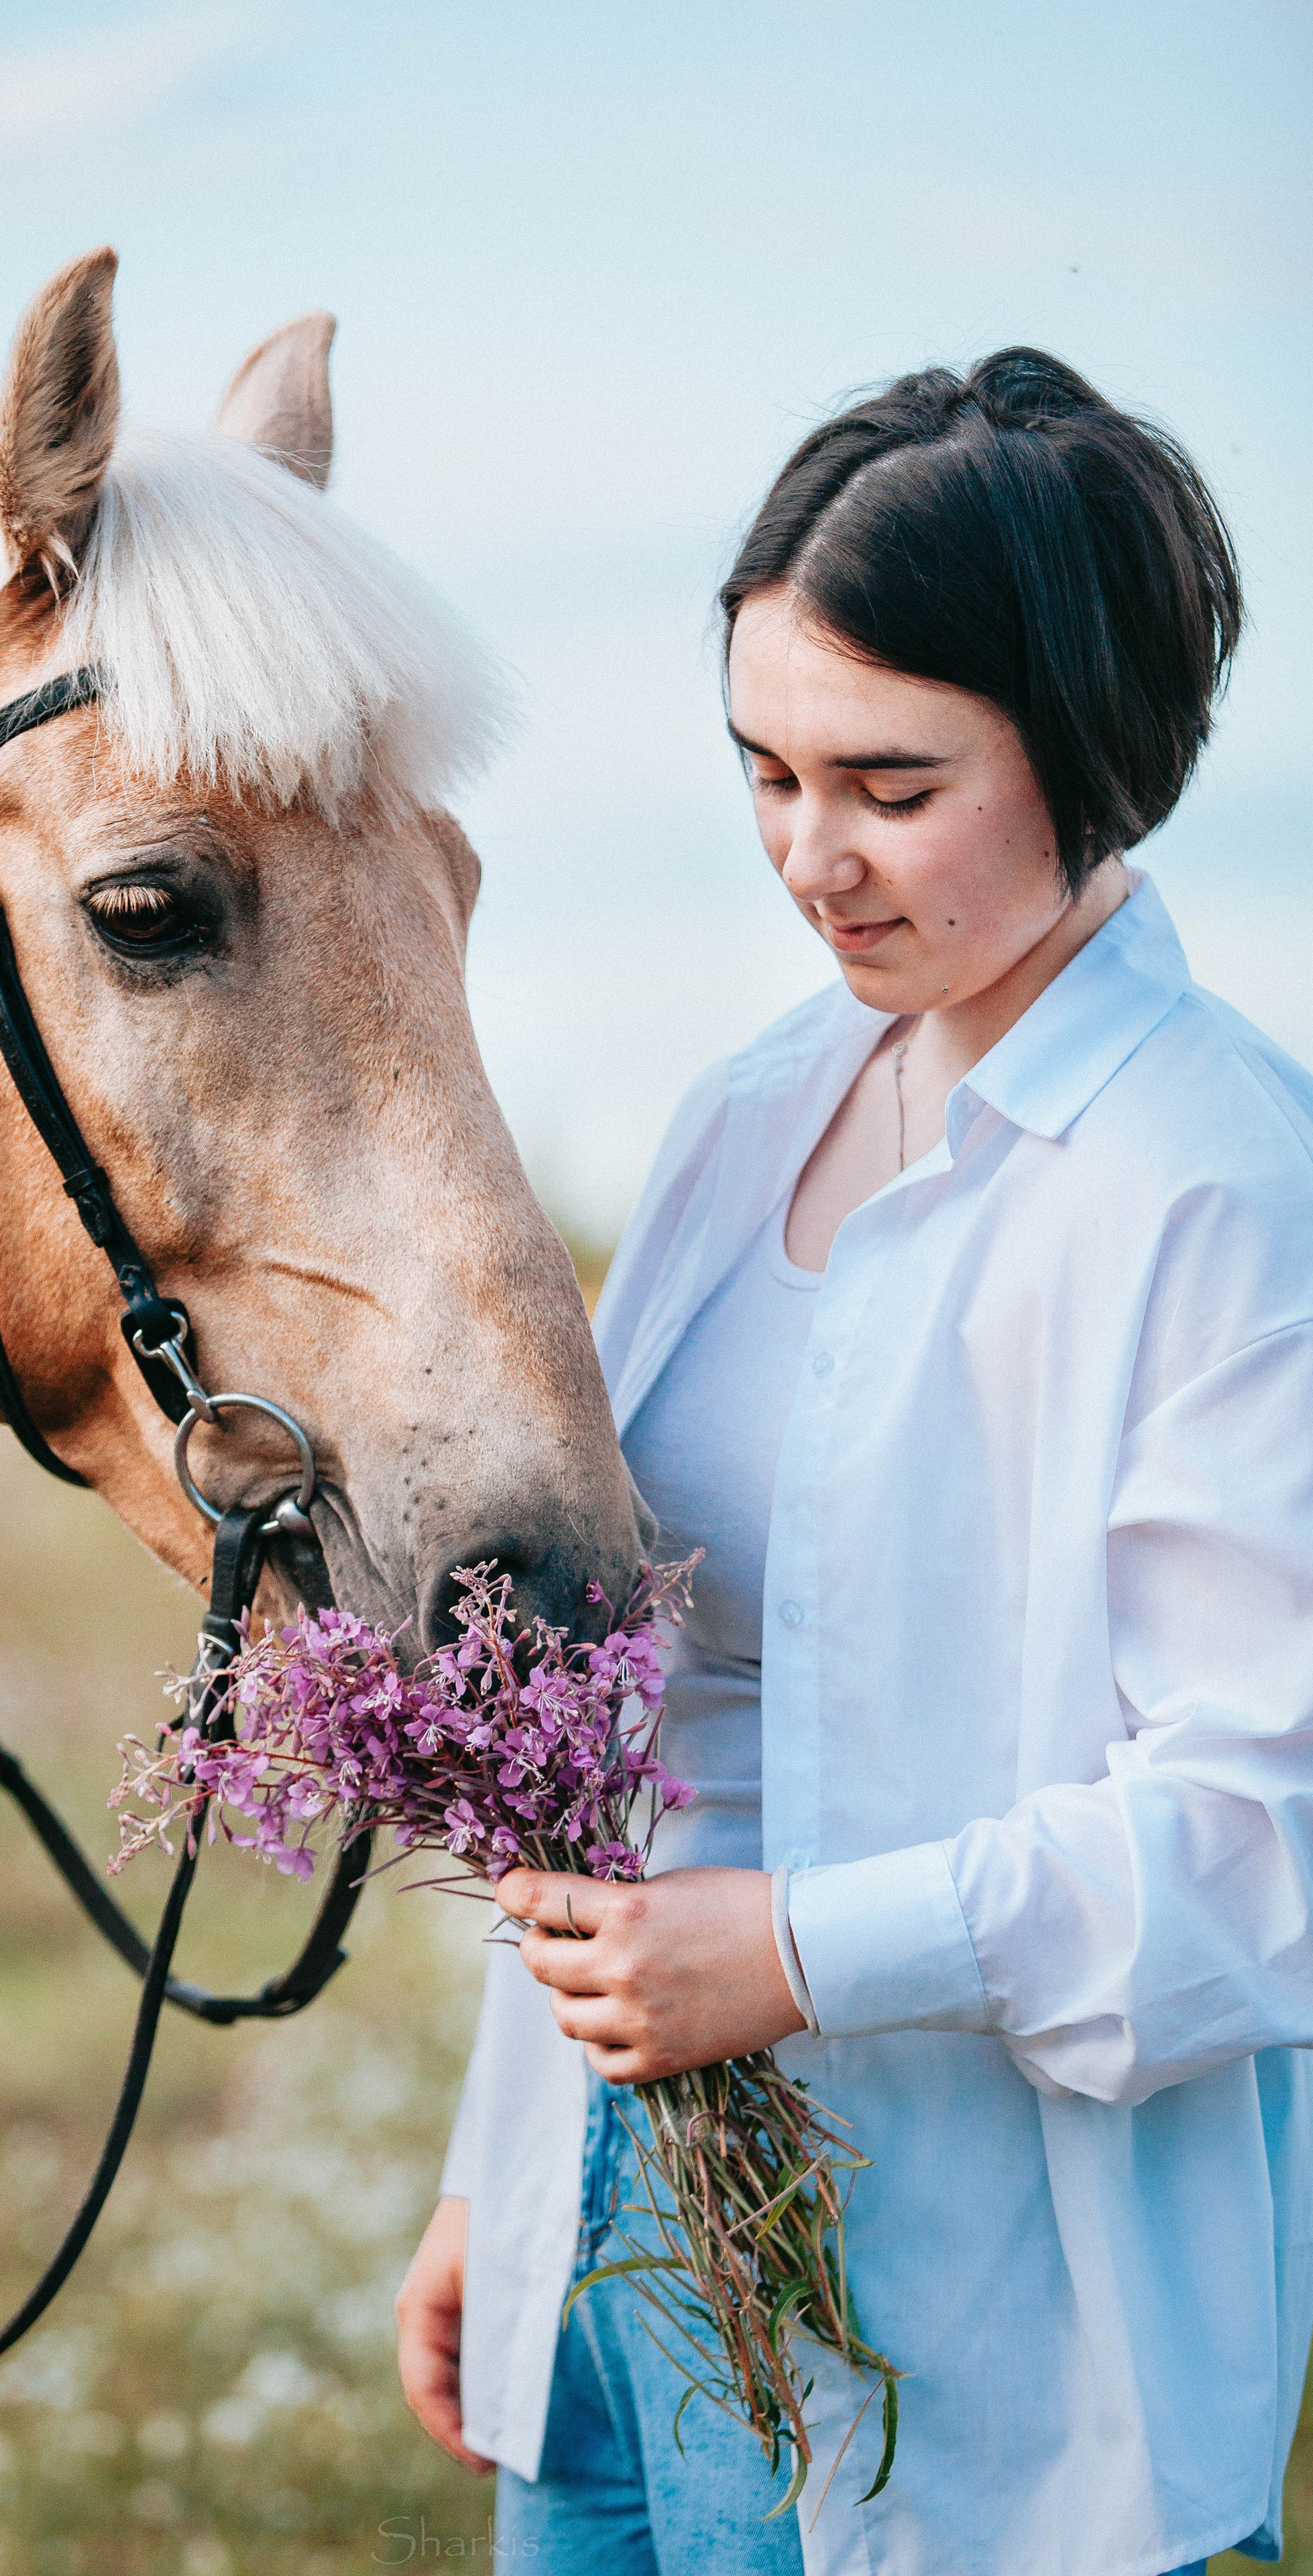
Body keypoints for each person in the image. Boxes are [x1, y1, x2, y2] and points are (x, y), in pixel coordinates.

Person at [394, 347, 1313, 2576]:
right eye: (766, 770)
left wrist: (802, 1955)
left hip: (973, 2322)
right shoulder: (746, 1114)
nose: (813, 857)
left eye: (893, 786)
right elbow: (633, 1722)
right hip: (608, 2237)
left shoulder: (1218, 1181)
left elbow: (1259, 1838)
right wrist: (500, 2180)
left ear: (1094, 749)